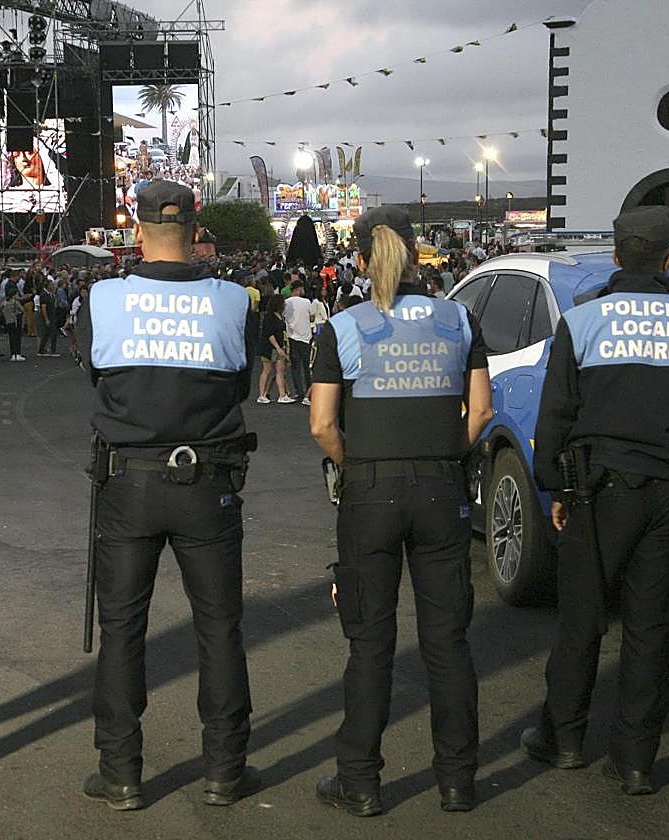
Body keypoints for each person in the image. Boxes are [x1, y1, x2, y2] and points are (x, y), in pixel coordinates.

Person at [520, 206, 669, 796]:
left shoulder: (584, 321)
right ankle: (634, 762)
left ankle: (566, 739)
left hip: (595, 491)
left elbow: (556, 415)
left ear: (618, 256)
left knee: (581, 621)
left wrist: (553, 485)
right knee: (650, 629)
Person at [75, 180, 261, 811]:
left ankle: (122, 771)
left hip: (129, 481)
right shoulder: (233, 301)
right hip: (208, 481)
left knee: (123, 630)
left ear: (136, 228)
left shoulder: (104, 298)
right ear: (195, 230)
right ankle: (225, 770)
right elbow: (240, 384)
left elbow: (98, 375)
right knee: (219, 627)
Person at [309, 205, 494, 817]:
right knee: (449, 641)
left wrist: (353, 463)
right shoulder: (459, 319)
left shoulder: (343, 326)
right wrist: (444, 453)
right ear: (417, 257)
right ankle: (457, 780)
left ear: (361, 262)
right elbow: (481, 414)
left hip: (370, 493)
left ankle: (360, 781)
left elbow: (322, 423)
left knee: (370, 644)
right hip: (443, 490)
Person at [257, 294, 292, 404]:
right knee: (267, 370)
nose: (285, 304)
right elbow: (269, 334)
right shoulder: (269, 317)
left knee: (280, 370)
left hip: (279, 346)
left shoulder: (280, 316)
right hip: (269, 347)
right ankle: (262, 395)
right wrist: (278, 348)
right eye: (283, 302)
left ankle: (282, 395)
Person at [283, 280, 314, 404]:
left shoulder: (286, 302)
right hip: (305, 337)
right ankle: (308, 392)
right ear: (300, 289)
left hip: (292, 336)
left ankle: (299, 392)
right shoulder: (306, 302)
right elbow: (312, 317)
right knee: (307, 367)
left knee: (295, 367)